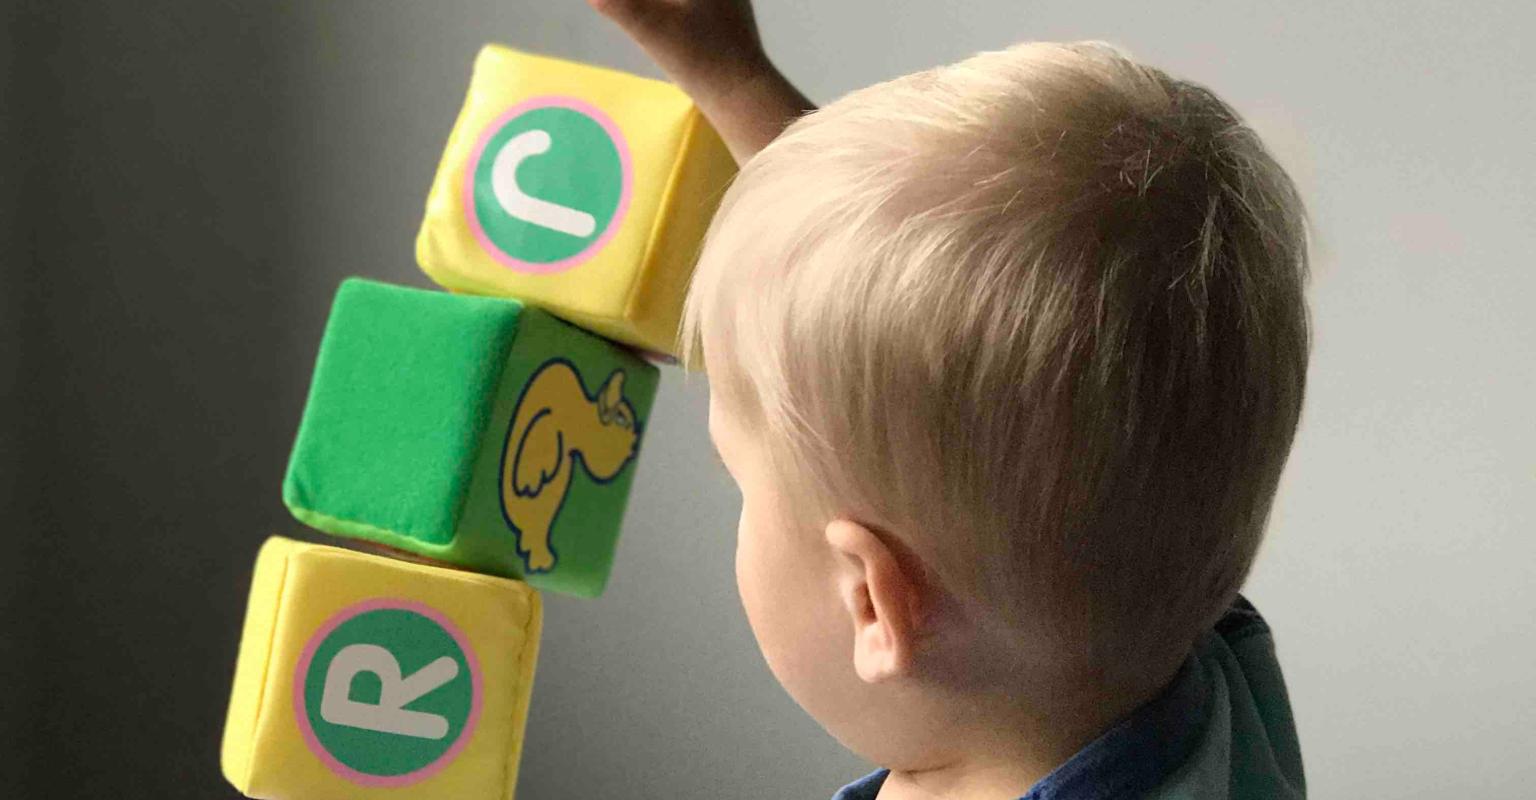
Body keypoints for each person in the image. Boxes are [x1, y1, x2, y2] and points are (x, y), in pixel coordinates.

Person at [589, 2, 1311, 797]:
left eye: (741, 484)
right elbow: (970, 355)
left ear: (872, 602)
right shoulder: (1169, 626)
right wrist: (731, 76)